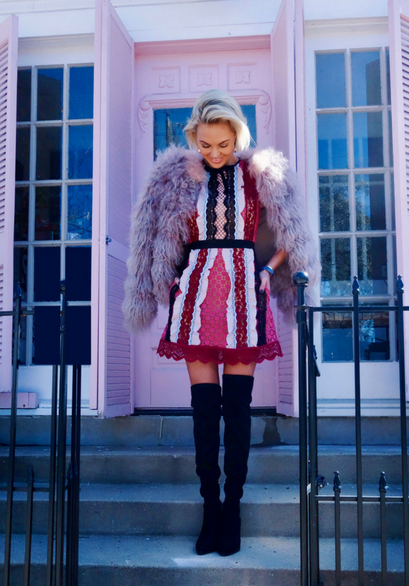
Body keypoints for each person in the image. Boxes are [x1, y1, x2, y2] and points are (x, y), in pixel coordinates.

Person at [123, 90, 319, 557]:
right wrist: (169, 283)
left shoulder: (259, 176)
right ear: (195, 137)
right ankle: (209, 508)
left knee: (237, 410)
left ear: (238, 136)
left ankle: (233, 508)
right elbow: (160, 234)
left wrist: (269, 270)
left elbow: (293, 231)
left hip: (244, 299)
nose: (214, 153)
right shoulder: (178, 178)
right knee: (205, 412)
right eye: (206, 144)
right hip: (195, 298)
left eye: (223, 144)